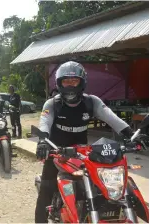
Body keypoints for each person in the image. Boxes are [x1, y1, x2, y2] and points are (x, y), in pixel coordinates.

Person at [35, 61, 148, 223]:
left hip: (83, 152)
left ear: (82, 82)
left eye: (74, 81)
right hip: (57, 151)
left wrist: (132, 134)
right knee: (46, 189)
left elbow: (112, 118)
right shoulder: (52, 104)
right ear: (59, 84)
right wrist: (43, 141)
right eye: (66, 81)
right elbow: (44, 122)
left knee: (103, 184)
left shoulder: (92, 102)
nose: (70, 85)